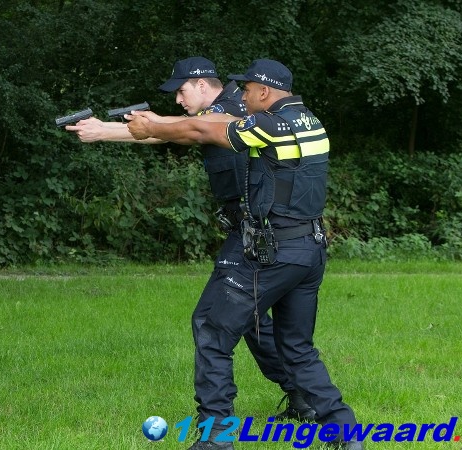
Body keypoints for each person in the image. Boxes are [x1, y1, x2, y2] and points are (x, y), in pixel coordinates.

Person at [127, 59, 363, 450]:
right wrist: (157, 122)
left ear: (265, 91)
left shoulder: (268, 125)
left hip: (273, 251)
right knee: (297, 347)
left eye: (248, 89)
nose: (243, 96)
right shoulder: (311, 122)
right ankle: (345, 433)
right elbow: (216, 122)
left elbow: (204, 129)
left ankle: (216, 438)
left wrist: (153, 127)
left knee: (212, 330)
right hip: (310, 248)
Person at [66, 57, 315, 425]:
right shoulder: (224, 108)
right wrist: (107, 128)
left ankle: (218, 427)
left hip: (261, 232)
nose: (178, 100)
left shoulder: (236, 108)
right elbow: (172, 129)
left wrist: (109, 131)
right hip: (259, 232)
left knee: (212, 319)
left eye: (181, 91)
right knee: (251, 319)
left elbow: (188, 129)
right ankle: (303, 398)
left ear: (202, 84)